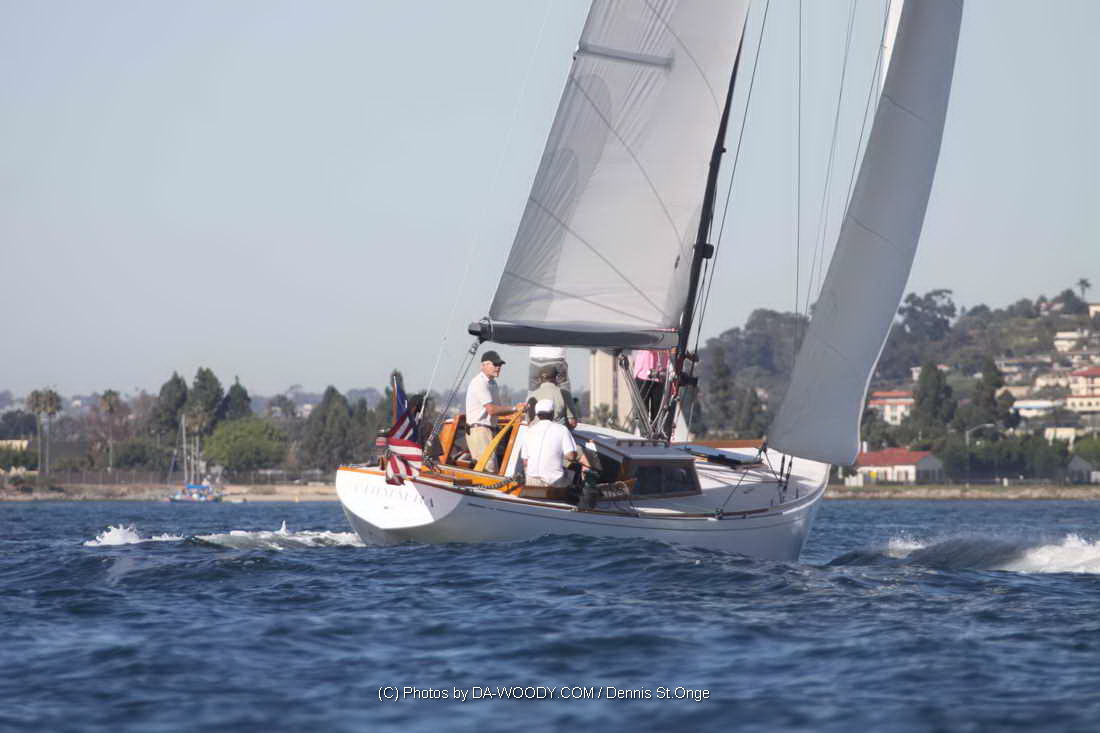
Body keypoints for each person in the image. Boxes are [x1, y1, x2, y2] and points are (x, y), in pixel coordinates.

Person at [465, 350, 523, 472]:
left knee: (490, 469)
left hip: (488, 430)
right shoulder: (480, 382)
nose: (498, 367)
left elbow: (497, 409)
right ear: (484, 365)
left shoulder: (492, 383)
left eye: (500, 365)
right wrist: (515, 409)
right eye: (495, 364)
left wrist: (518, 412)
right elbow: (492, 409)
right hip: (480, 431)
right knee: (488, 469)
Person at [519, 399, 585, 487]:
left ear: (537, 415)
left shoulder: (529, 431)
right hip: (554, 482)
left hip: (531, 482)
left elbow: (525, 462)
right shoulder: (562, 429)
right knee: (574, 471)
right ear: (552, 413)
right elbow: (571, 456)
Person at [527, 364, 578, 429]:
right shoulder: (564, 394)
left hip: (537, 432)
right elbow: (572, 423)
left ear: (540, 379)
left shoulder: (532, 396)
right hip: (559, 432)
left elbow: (529, 422)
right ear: (556, 378)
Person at [633, 349, 669, 423]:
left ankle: (654, 429)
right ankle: (642, 430)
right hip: (642, 373)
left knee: (657, 414)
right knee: (642, 413)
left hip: (661, 374)